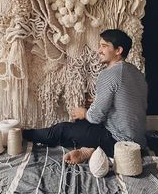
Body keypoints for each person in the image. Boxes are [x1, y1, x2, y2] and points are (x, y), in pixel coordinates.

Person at [23, 29, 148, 164]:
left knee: (63, 129)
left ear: (118, 50)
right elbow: (127, 103)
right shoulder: (137, 73)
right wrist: (99, 102)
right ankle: (91, 150)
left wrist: (84, 113)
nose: (99, 50)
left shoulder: (109, 74)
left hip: (119, 144)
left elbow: (95, 117)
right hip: (139, 143)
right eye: (100, 46)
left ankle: (24, 134)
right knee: (79, 125)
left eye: (104, 46)